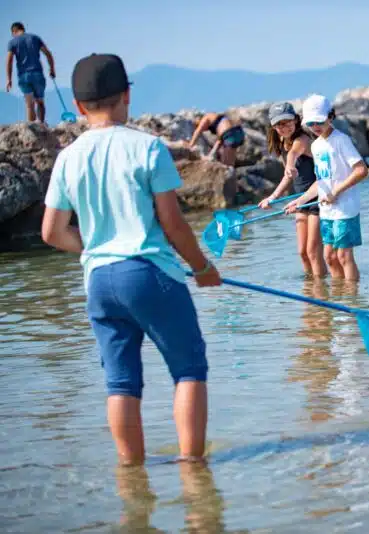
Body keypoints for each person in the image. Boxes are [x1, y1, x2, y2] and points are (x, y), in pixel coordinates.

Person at [40, 53, 221, 466]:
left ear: (79, 105)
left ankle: (132, 474)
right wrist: (202, 268)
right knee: (189, 369)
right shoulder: (148, 147)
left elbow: (51, 232)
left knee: (120, 382)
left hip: (99, 282)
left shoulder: (68, 157)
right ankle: (193, 470)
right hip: (149, 274)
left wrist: (98, 247)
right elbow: (173, 224)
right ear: (126, 96)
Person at [285, 95, 368, 282]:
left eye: (319, 121)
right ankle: (339, 295)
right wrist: (299, 201)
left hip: (345, 209)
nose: (315, 126)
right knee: (329, 257)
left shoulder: (341, 140)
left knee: (343, 256)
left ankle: (352, 295)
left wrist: (335, 192)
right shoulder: (316, 146)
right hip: (327, 211)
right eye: (311, 123)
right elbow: (320, 182)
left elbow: (361, 170)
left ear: (330, 117)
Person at [258, 102, 326, 278]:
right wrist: (273, 197)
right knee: (303, 253)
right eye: (279, 124)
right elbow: (288, 176)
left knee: (313, 251)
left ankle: (322, 289)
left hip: (318, 195)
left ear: (295, 120)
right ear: (273, 126)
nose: (284, 127)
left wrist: (290, 165)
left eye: (287, 122)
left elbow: (294, 154)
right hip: (300, 200)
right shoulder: (281, 142)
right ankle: (310, 288)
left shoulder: (302, 139)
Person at [5, 22, 56, 123]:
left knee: (29, 104)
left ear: (14, 32)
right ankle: (41, 125)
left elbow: (9, 61)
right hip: (37, 74)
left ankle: (31, 128)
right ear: (23, 29)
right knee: (40, 102)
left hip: (23, 76)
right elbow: (48, 53)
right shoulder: (35, 38)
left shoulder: (12, 42)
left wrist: (9, 79)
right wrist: (52, 69)